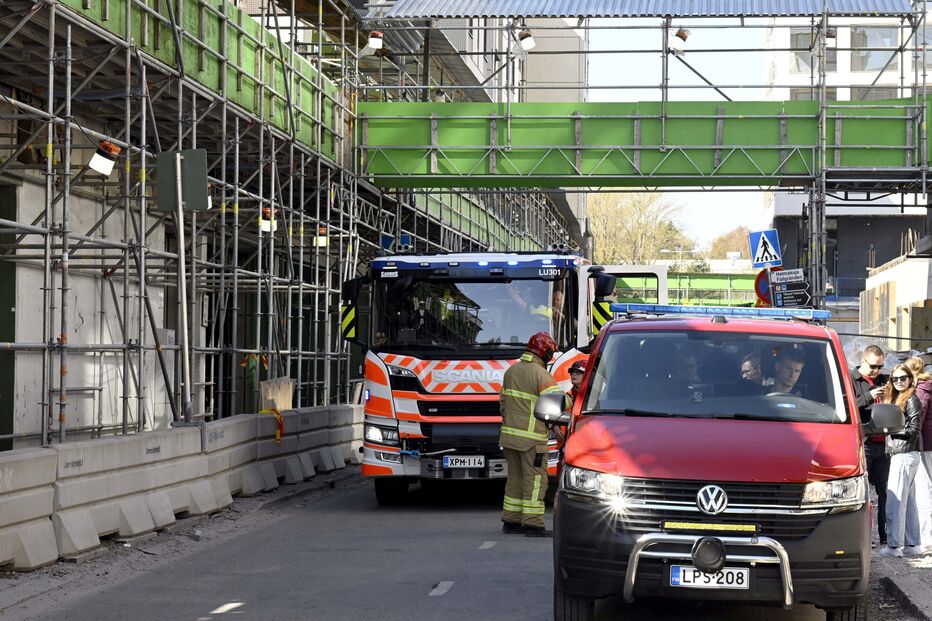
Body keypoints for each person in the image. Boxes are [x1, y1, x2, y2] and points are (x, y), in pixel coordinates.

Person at [499, 331, 566, 537]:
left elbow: (503, 405)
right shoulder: (540, 374)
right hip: (532, 440)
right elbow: (556, 402)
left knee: (515, 479)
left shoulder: (511, 371)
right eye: (549, 352)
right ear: (543, 351)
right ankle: (533, 524)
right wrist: (571, 399)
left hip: (509, 437)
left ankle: (511, 521)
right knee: (535, 480)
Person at [880, 364, 932, 557]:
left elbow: (913, 429)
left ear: (910, 378)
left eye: (903, 378)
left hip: (905, 453)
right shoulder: (900, 398)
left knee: (895, 500)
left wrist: (888, 429)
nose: (899, 382)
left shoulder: (911, 399)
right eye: (895, 379)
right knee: (909, 502)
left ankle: (894, 546)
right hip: (907, 453)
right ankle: (913, 544)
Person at [851, 345, 889, 546]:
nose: (877, 371)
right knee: (863, 494)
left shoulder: (885, 379)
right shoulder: (851, 379)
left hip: (884, 444)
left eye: (880, 366)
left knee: (886, 492)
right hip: (864, 442)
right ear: (863, 361)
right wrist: (869, 395)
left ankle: (885, 537)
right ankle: (863, 537)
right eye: (873, 366)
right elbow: (847, 405)